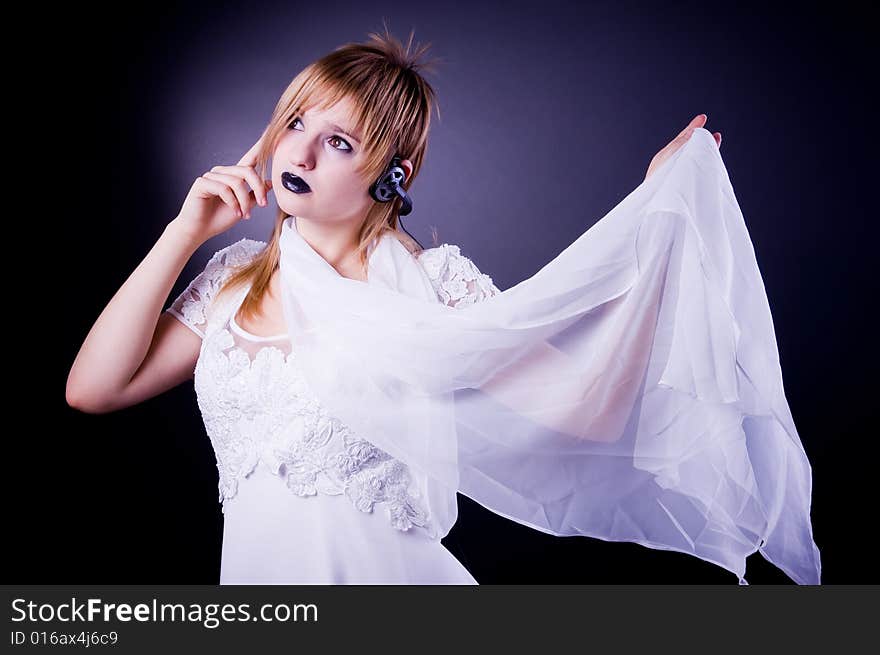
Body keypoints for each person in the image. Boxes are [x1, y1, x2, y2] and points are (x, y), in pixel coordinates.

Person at [66, 25, 819, 586]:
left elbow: (590, 410)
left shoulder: (433, 288)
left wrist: (657, 220)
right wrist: (182, 230)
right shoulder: (237, 275)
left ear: (390, 176)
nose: (297, 153)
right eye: (295, 123)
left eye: (337, 142)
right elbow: (93, 388)